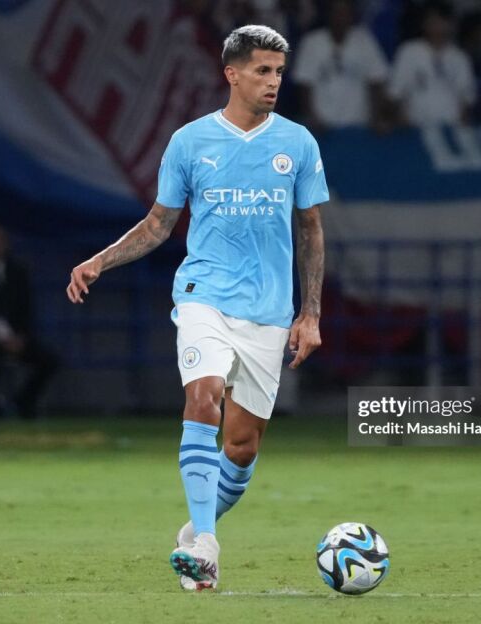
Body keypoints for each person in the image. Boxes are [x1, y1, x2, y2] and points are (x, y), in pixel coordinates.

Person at [66, 25, 328, 590]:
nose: (273, 82)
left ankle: (193, 530)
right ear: (231, 74)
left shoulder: (298, 144)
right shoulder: (189, 142)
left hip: (268, 310)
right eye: (262, 71)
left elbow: (310, 229)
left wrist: (310, 314)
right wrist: (100, 261)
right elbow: (158, 224)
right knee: (203, 396)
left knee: (242, 446)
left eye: (279, 72)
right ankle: (207, 547)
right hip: (202, 296)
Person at [0, 224, 60, 419]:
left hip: (17, 338)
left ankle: (24, 401)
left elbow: (27, 309)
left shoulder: (18, 273)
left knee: (50, 360)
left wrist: (19, 337)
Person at [292, 0, 389, 132]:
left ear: (351, 15)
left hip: (358, 124)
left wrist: (376, 116)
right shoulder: (312, 42)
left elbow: (377, 79)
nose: (340, 17)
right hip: (323, 127)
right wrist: (312, 117)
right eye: (336, 12)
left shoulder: (364, 41)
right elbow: (304, 84)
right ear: (328, 15)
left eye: (344, 12)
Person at [387, 1, 475, 127]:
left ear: (451, 24)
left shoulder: (460, 57)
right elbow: (396, 92)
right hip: (414, 127)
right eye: (433, 21)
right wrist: (402, 122)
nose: (437, 26)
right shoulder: (409, 51)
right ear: (424, 24)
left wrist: (461, 126)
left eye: (442, 21)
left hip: (450, 127)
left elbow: (466, 98)